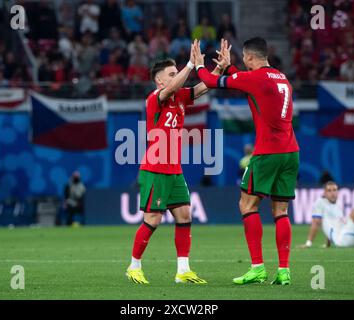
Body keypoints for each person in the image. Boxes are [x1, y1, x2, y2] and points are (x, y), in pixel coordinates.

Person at [193, 37, 299, 285]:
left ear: (249, 57)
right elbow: (246, 83)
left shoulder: (256, 78)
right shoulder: (281, 78)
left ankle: (258, 267)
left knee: (247, 206)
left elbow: (210, 81)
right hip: (291, 151)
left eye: (243, 58)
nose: (243, 61)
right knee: (280, 211)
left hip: (267, 153)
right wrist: (230, 67)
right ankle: (284, 270)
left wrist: (199, 65)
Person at [126, 39, 226, 285]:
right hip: (155, 167)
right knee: (153, 220)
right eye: (172, 73)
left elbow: (201, 89)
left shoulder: (179, 96)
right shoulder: (155, 98)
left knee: (184, 216)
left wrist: (219, 70)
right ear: (160, 80)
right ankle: (133, 266)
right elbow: (173, 88)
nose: (177, 76)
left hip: (174, 169)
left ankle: (183, 271)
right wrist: (191, 64)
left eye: (177, 72)